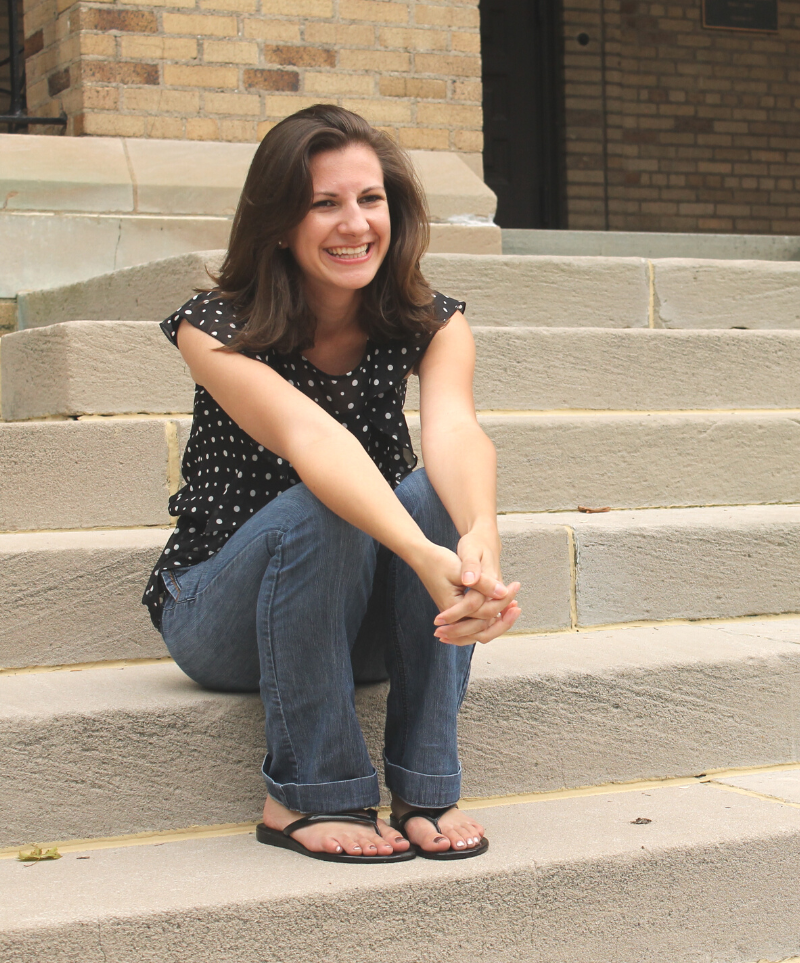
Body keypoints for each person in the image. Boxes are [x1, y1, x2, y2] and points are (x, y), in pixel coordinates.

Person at [142, 104, 521, 864]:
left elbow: (453, 433)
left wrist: (478, 541)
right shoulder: (214, 325)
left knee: (434, 494)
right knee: (329, 499)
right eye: (325, 203)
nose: (355, 224)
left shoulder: (431, 321)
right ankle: (304, 793)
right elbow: (313, 439)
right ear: (279, 221)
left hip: (355, 611)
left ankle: (425, 784)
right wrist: (421, 555)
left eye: (370, 199)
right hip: (223, 615)